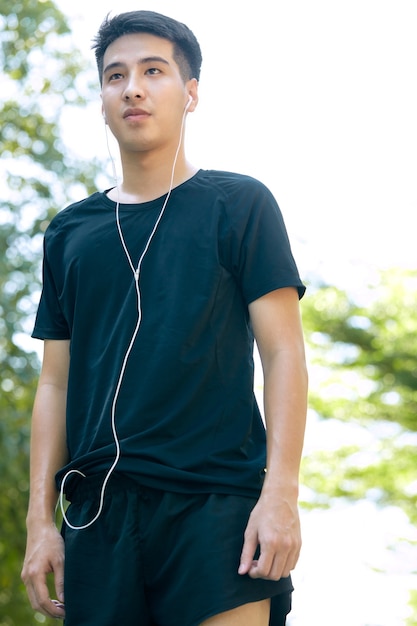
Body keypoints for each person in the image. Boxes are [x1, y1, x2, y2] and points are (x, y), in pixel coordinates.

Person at [21, 10, 308, 626]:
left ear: (191, 93)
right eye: (115, 75)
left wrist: (280, 493)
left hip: (217, 506)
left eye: (154, 71)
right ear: (101, 99)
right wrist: (39, 522)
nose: (133, 87)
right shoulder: (70, 233)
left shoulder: (240, 205)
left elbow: (283, 353)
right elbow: (54, 382)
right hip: (98, 515)